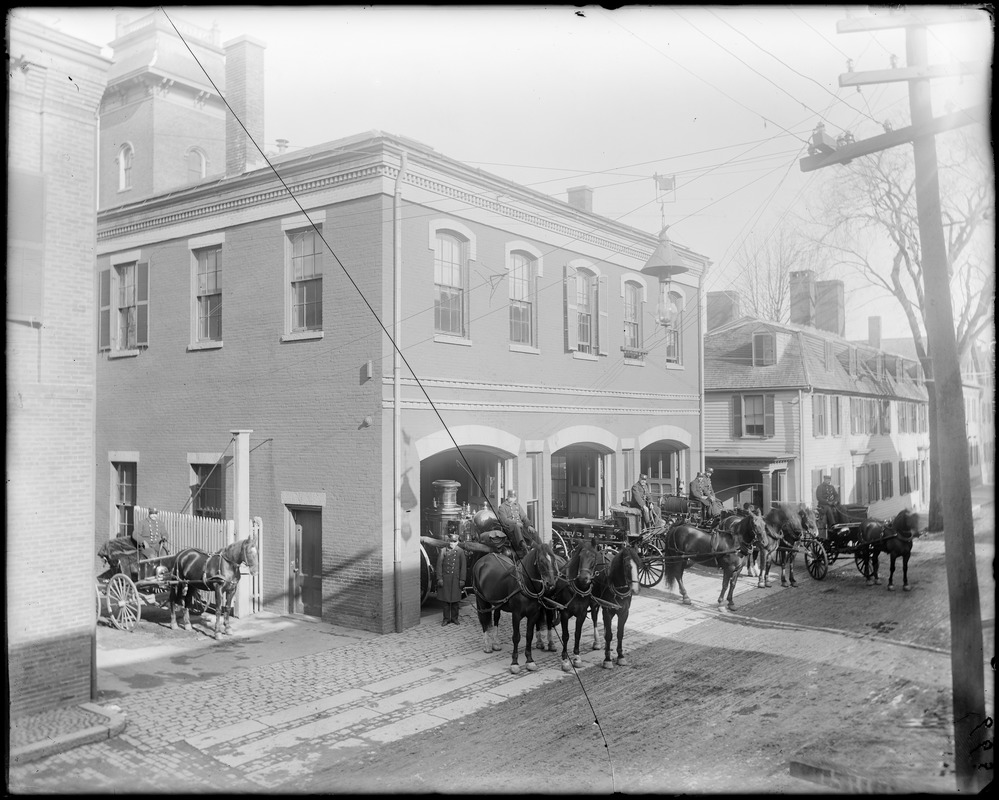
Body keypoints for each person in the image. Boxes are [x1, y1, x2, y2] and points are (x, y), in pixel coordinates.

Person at [436, 532, 467, 626]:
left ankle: (454, 618)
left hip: (456, 580)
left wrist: (462, 579)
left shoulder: (460, 552)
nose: (452, 543)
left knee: (455, 601)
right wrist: (439, 578)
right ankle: (446, 619)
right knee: (445, 601)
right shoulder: (443, 551)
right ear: (448, 541)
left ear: (457, 542)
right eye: (450, 541)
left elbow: (463, 567)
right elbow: (439, 566)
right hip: (446, 579)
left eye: (454, 542)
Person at [497, 490, 536, 558]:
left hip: (521, 527)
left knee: (532, 531)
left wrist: (529, 525)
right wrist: (516, 523)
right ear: (507, 497)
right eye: (511, 497)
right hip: (509, 528)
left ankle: (541, 547)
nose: (513, 499)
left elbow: (524, 517)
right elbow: (504, 520)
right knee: (516, 526)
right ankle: (523, 545)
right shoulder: (502, 507)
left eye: (514, 497)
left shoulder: (517, 505)